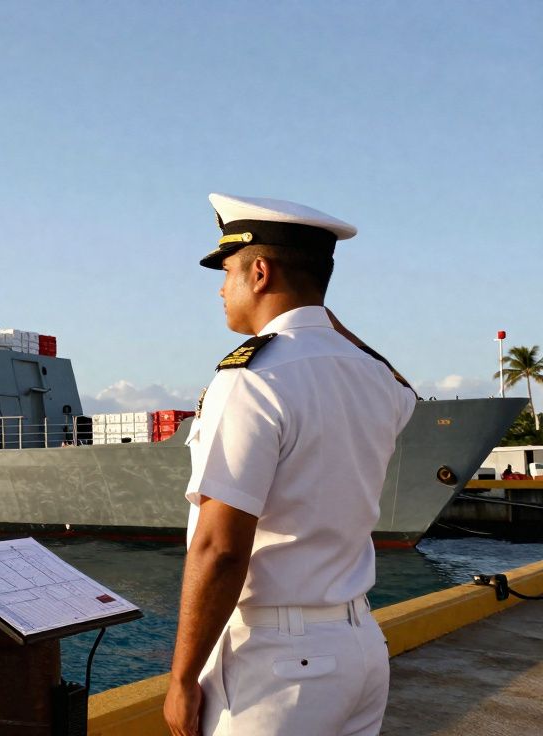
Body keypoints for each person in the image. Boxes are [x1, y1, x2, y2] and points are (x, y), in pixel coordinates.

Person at [164, 193, 417, 736]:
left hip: (277, 666)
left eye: (227, 270)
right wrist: (321, 319)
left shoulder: (250, 378)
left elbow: (221, 548)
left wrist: (183, 678)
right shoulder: (374, 378)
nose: (220, 287)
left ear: (259, 273)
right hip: (361, 651)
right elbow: (407, 391)